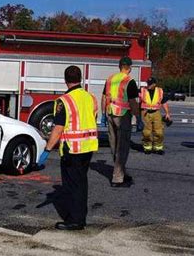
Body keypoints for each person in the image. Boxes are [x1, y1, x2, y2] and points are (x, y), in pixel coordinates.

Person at [38, 65, 98, 230]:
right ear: (80, 79)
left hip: (73, 149)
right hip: (89, 146)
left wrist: (47, 150)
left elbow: (58, 129)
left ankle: (75, 220)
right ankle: (80, 216)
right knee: (81, 183)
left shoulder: (63, 101)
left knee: (72, 185)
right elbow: (93, 115)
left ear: (65, 80)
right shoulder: (90, 97)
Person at [101, 56, 139, 187]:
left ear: (119, 66)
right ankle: (117, 178)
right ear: (129, 68)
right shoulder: (129, 81)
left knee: (114, 144)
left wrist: (103, 114)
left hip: (110, 113)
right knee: (122, 147)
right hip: (122, 116)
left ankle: (121, 171)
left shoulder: (110, 79)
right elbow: (133, 103)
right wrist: (138, 117)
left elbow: (104, 97)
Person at [140, 77, 170, 154]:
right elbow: (133, 98)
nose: (148, 85)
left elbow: (164, 102)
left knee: (159, 132)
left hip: (156, 113)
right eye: (148, 84)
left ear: (154, 84)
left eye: (150, 84)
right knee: (146, 133)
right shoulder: (142, 90)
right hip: (145, 113)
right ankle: (147, 147)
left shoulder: (160, 91)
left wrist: (167, 113)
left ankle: (158, 147)